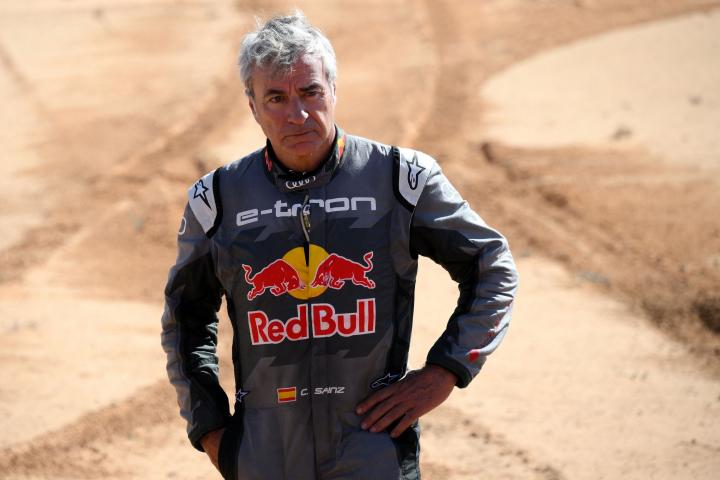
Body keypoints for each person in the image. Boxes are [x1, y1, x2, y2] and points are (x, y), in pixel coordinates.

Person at [161, 11, 518, 480]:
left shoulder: (401, 180)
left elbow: (492, 264)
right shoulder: (217, 201)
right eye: (276, 98)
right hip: (266, 458)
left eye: (310, 92)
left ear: (333, 89)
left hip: (373, 453)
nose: (297, 114)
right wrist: (211, 431)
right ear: (252, 106)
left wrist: (445, 371)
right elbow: (184, 319)